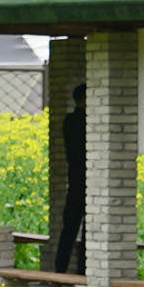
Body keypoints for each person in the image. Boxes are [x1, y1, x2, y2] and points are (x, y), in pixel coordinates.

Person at [49, 86, 89, 275]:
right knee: (87, 231)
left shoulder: (69, 120)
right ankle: (82, 271)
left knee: (69, 228)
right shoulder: (85, 122)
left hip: (74, 182)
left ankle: (60, 269)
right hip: (87, 182)